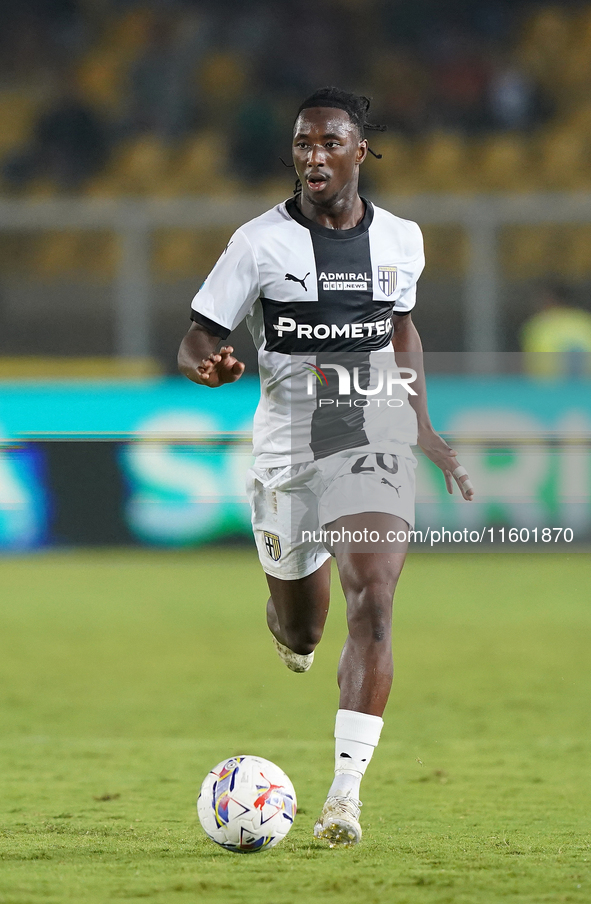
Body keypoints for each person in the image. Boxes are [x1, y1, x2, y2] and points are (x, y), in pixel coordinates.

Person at [178, 87, 474, 847]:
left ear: (360, 151)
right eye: (303, 144)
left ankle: (344, 797)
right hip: (284, 443)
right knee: (302, 630)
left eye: (328, 143)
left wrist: (421, 427)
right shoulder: (258, 244)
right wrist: (205, 367)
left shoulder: (402, 240)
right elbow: (197, 334)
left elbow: (401, 332)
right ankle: (293, 635)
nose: (312, 156)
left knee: (372, 599)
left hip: (365, 428)